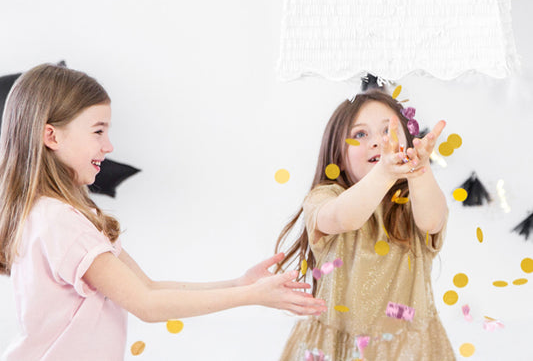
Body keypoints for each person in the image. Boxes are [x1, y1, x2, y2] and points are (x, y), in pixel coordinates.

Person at [0, 64, 326, 361]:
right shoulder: (61, 221)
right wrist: (250, 296)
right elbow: (146, 304)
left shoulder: (50, 214)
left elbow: (149, 287)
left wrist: (240, 285)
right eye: (98, 131)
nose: (108, 146)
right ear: (52, 136)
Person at [275, 89, 456, 361]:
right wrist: (383, 172)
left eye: (388, 131)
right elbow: (343, 217)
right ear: (338, 155)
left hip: (407, 350)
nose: (378, 142)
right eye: (360, 134)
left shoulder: (413, 200)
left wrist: (420, 171)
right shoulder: (324, 198)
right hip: (336, 349)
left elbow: (432, 219)